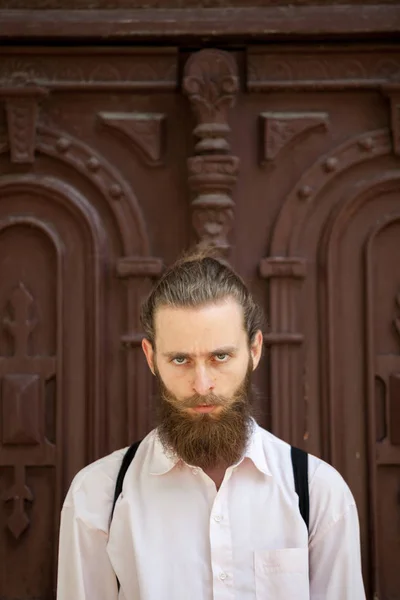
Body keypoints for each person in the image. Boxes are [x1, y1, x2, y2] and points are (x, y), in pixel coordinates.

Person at [56, 251, 366, 600]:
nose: (202, 385)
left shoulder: (320, 494)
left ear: (255, 350)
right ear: (150, 357)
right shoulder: (96, 498)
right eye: (180, 359)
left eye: (220, 357)